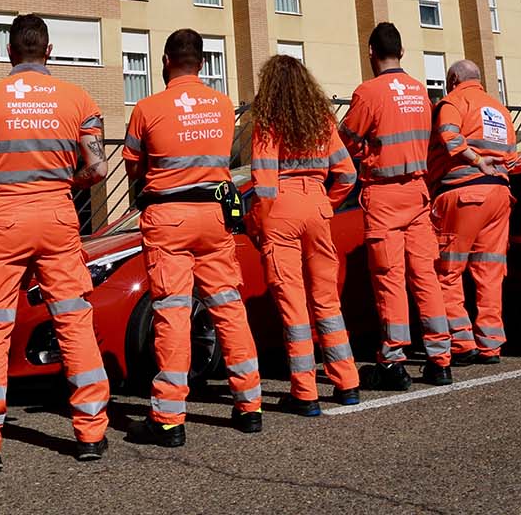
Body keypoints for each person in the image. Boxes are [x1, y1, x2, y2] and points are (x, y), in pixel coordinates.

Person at [0, 14, 112, 474]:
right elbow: (98, 169)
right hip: (57, 214)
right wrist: (68, 182)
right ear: (49, 51)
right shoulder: (77, 98)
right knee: (73, 318)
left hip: (1, 217)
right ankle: (91, 433)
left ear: (8, 52)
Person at [120, 29, 263, 446]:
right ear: (202, 63)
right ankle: (250, 405)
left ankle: (168, 418)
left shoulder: (147, 108)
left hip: (169, 217)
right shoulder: (221, 106)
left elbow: (133, 166)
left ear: (166, 61)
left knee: (172, 311)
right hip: (215, 216)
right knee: (228, 306)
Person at [244, 55, 363, 415]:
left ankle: (305, 392)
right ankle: (347, 382)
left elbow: (263, 182)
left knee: (293, 304)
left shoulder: (267, 123)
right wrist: (326, 203)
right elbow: (347, 175)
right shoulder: (322, 120)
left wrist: (259, 224)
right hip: (317, 206)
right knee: (327, 301)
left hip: (281, 207)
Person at [340, 22, 453, 390]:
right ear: (402, 53)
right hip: (418, 193)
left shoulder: (368, 92)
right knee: (425, 277)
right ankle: (440, 359)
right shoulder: (421, 92)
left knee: (389, 279)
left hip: (384, 194)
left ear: (371, 52)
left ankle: (393, 361)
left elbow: (347, 141)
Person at [427, 60, 516, 365]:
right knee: (490, 271)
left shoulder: (452, 102)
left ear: (453, 80)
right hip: (500, 195)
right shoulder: (499, 109)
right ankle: (491, 344)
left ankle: (462, 342)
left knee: (447, 272)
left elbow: (451, 139)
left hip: (462, 192)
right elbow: (512, 155)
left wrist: (475, 160)